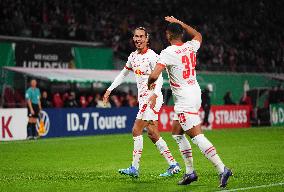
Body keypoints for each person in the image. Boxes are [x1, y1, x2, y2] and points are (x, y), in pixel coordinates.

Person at [148, 16, 232, 187]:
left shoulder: (167, 52)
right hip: (195, 92)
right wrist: (181, 23)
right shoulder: (190, 46)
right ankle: (190, 173)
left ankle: (222, 168)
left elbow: (154, 75)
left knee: (196, 136)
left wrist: (150, 87)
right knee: (177, 133)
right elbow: (198, 35)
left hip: (184, 98)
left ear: (168, 35)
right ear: (181, 33)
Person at [103, 27, 180, 177]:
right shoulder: (132, 56)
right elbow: (123, 74)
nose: (138, 39)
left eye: (141, 37)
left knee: (136, 130)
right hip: (143, 98)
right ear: (133, 39)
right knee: (152, 133)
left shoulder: (152, 56)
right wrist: (109, 89)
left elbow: (159, 78)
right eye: (136, 37)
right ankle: (173, 165)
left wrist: (155, 94)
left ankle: (134, 168)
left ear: (147, 39)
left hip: (152, 98)